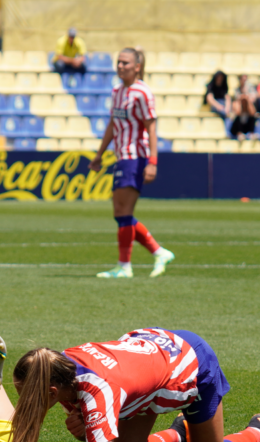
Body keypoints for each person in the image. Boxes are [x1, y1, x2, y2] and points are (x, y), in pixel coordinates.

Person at [4, 327, 260, 442]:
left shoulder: (97, 391)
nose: (24, 403)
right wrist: (88, 427)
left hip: (191, 365)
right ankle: (177, 435)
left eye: (26, 396)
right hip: (150, 358)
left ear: (53, 391)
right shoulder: (59, 364)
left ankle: (259, 431)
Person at [88, 48, 174, 280]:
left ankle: (124, 266)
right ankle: (158, 252)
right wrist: (99, 154)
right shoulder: (117, 91)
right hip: (121, 156)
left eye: (125, 63)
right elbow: (112, 125)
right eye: (118, 62)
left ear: (137, 66)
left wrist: (153, 162)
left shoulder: (142, 93)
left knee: (123, 212)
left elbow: (151, 128)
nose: (120, 66)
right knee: (120, 213)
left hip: (136, 157)